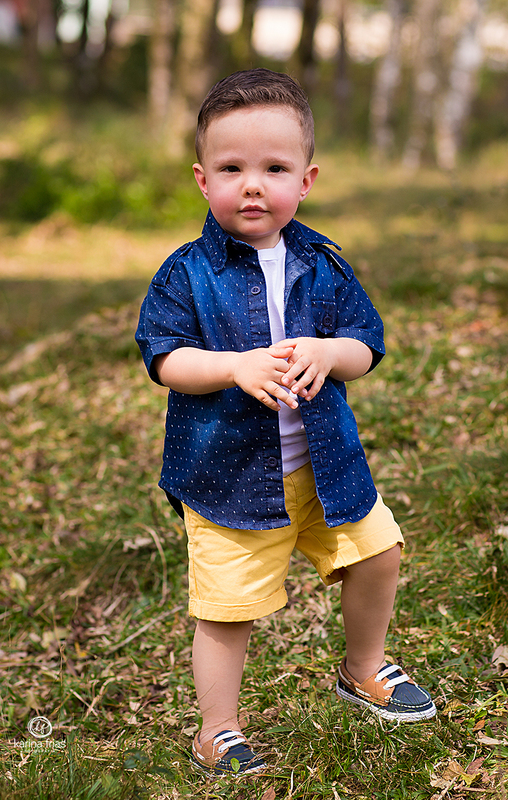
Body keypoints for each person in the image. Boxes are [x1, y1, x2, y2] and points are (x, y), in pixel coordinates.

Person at [135, 68, 436, 776]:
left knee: (379, 553)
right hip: (230, 477)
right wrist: (233, 366)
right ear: (202, 179)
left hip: (324, 466)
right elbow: (163, 356)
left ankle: (362, 666)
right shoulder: (186, 273)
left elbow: (368, 343)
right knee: (227, 608)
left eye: (273, 168)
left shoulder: (323, 264)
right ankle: (218, 729)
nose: (252, 185)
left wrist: (332, 352)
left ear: (306, 179)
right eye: (232, 168)